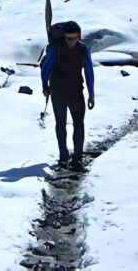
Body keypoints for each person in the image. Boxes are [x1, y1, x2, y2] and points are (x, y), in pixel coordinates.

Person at [40, 20, 95, 171]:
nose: (72, 41)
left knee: (79, 124)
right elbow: (45, 67)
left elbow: (89, 72)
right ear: (64, 36)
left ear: (79, 36)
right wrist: (44, 85)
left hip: (76, 91)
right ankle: (63, 156)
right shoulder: (55, 48)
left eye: (75, 38)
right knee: (60, 124)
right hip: (57, 92)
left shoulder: (83, 50)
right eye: (69, 38)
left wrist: (91, 94)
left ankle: (77, 158)